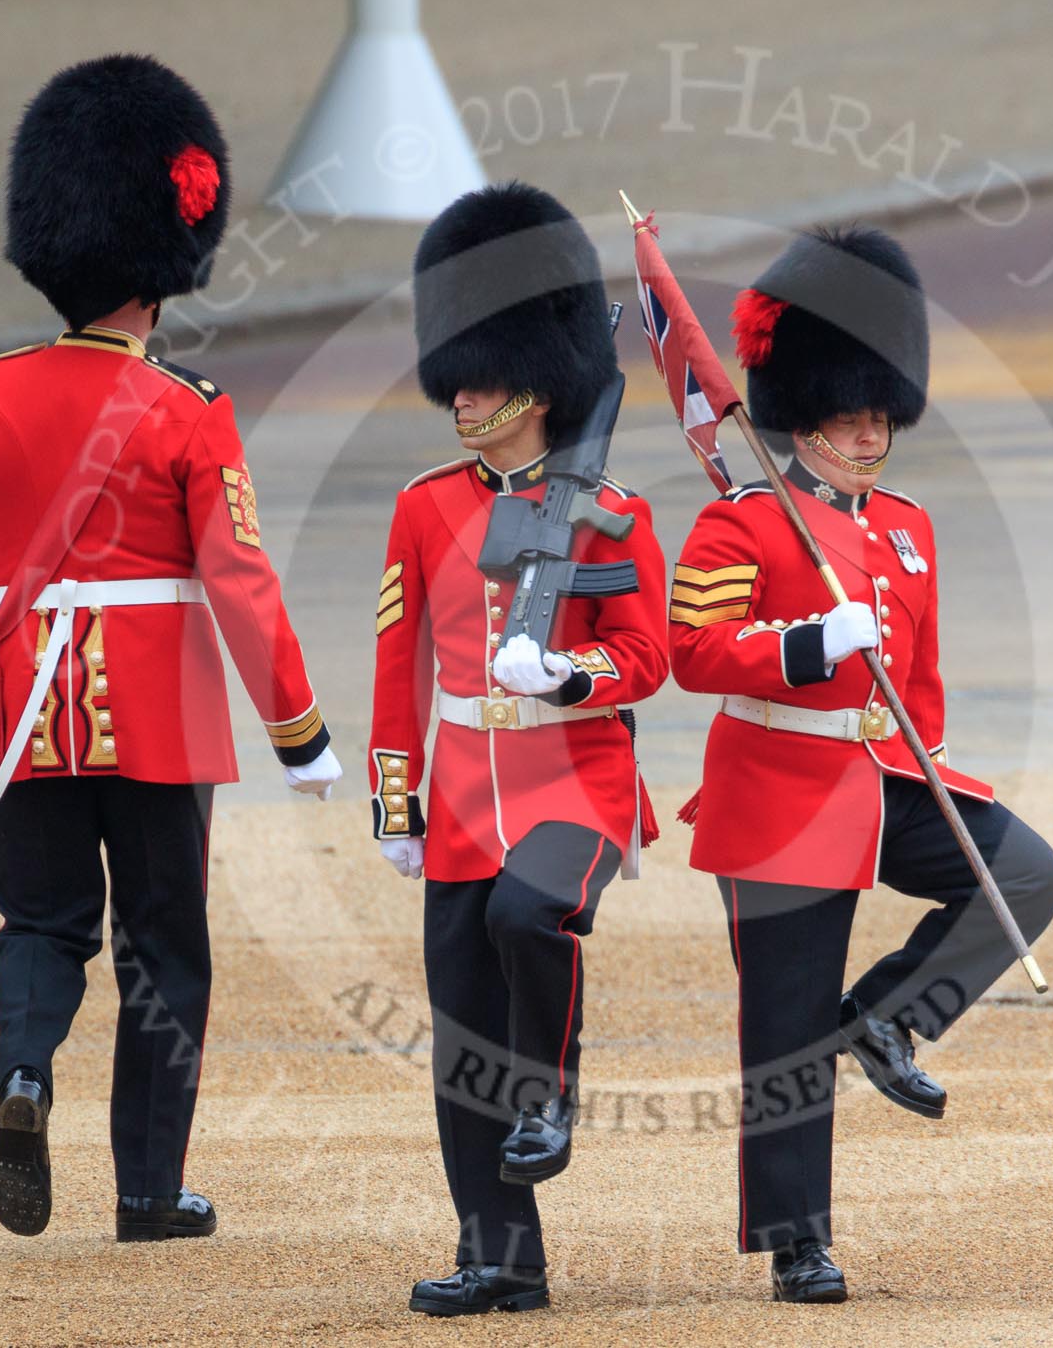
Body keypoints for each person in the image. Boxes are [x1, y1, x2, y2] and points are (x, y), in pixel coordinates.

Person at [0, 54, 343, 1243]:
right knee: (163, 950)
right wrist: (298, 727)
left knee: (41, 921)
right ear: (164, 269)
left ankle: (28, 1069)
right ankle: (150, 1191)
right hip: (156, 711)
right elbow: (241, 581)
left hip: (22, 715)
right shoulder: (187, 405)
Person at [669, 226, 1053, 1303]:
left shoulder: (908, 527)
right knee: (785, 1025)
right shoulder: (741, 519)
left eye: (881, 413)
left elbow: (920, 684)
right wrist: (806, 646)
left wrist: (923, 760)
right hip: (779, 790)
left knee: (1026, 875)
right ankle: (798, 1239)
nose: (870, 431)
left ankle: (891, 1013)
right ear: (804, 413)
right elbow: (690, 652)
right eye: (852, 414)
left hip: (880, 777)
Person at [371, 182, 669, 1315]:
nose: (466, 396)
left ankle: (551, 1093)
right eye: (460, 376)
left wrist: (570, 672)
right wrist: (398, 808)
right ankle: (503, 1255)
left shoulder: (614, 512)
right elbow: (398, 667)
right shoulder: (422, 507)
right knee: (460, 1040)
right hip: (458, 794)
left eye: (486, 377)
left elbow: (647, 655)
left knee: (523, 917)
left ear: (538, 386)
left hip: (577, 780)